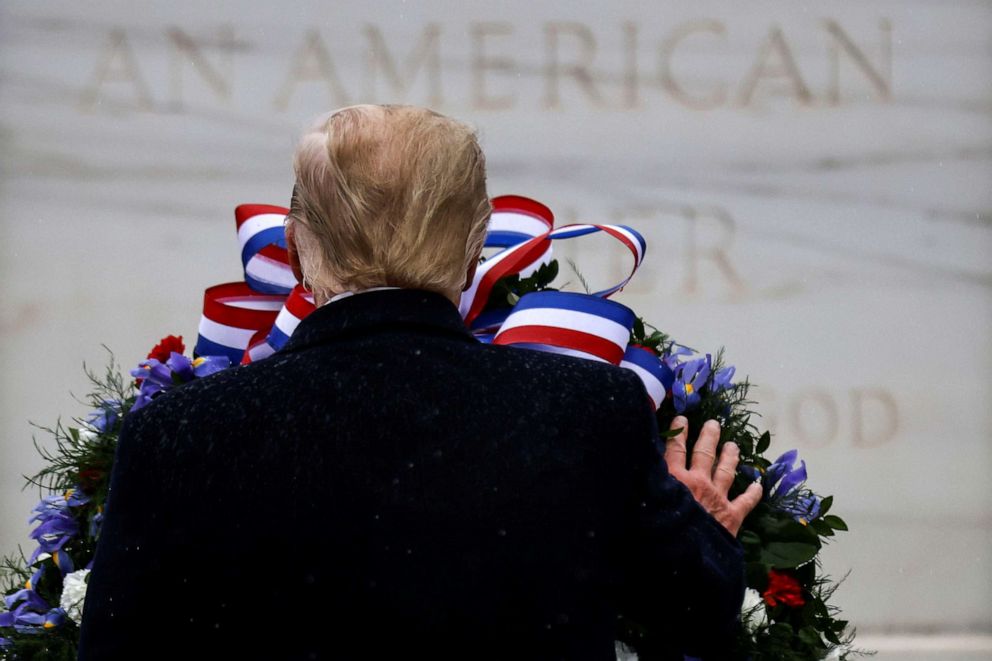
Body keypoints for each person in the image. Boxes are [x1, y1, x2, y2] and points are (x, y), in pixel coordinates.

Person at [78, 105, 761, 660]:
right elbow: (697, 613)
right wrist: (699, 532)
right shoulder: (592, 410)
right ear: (473, 254)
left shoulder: (177, 436)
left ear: (293, 252)